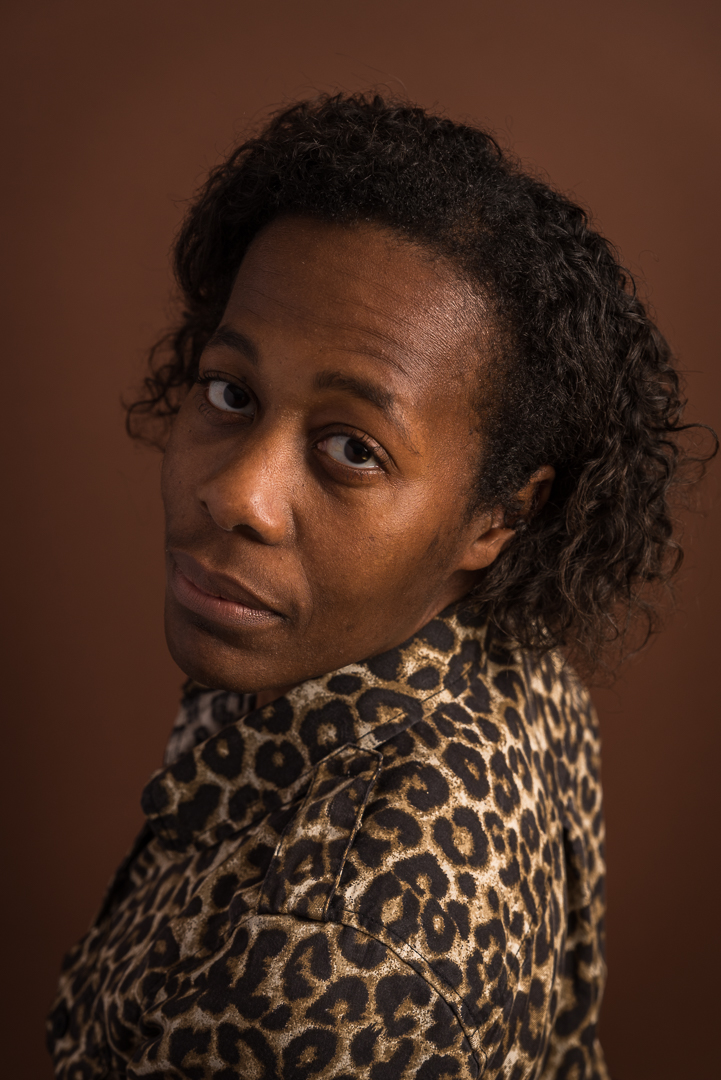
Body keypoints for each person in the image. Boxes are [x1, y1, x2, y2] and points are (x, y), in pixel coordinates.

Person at [47, 93, 714, 1079]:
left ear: (498, 516)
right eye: (231, 392)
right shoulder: (483, 645)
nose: (237, 495)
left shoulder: (317, 970)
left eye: (353, 449)